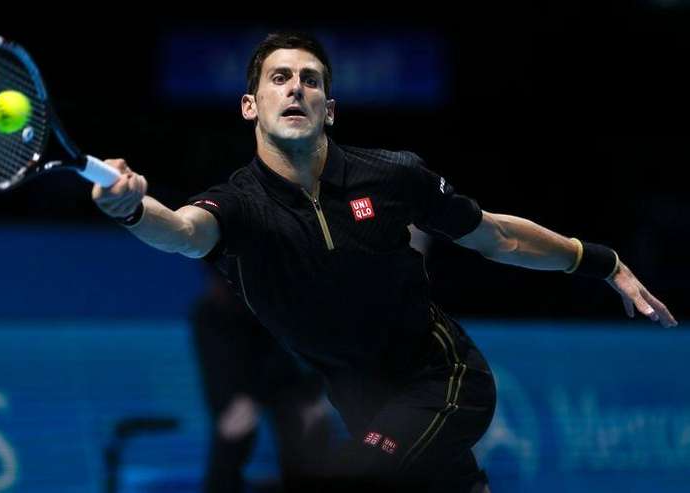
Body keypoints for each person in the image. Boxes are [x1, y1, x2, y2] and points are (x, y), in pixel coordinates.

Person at [92, 32, 677, 492]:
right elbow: (183, 232)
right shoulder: (240, 207)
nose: (295, 88)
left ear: (330, 108)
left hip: (445, 382)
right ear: (251, 105)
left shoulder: (392, 176)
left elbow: (496, 237)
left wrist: (603, 262)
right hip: (363, 405)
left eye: (310, 80)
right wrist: (131, 208)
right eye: (279, 78)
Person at [191, 266, 331, 492]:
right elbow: (216, 373)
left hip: (289, 386)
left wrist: (315, 395)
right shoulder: (207, 314)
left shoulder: (277, 302)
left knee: (309, 423)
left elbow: (299, 360)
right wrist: (231, 407)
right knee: (233, 426)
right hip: (241, 389)